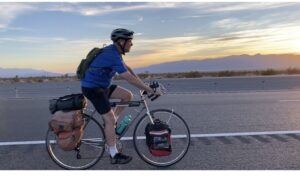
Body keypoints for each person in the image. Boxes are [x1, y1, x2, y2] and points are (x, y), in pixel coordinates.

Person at [81, 28, 163, 164]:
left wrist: (143, 85)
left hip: (102, 86)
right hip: (93, 88)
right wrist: (149, 89)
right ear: (121, 42)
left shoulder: (115, 52)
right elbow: (128, 79)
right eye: (130, 41)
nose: (132, 44)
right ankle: (114, 154)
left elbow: (128, 70)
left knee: (127, 96)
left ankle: (111, 124)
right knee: (109, 119)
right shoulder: (112, 55)